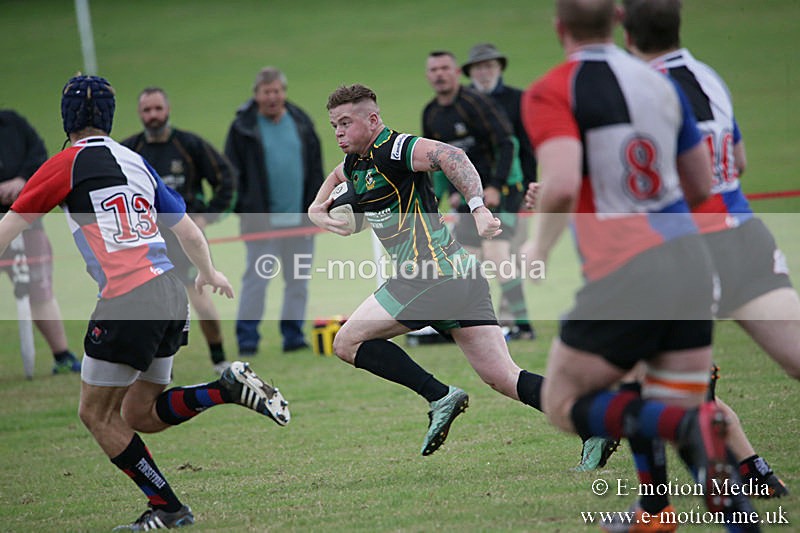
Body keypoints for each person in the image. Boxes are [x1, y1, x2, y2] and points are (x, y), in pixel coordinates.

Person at [0, 75, 291, 530]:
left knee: (95, 414)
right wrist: (210, 273)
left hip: (127, 296)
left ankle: (168, 508)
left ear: (66, 118)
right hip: (172, 291)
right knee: (141, 414)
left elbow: (10, 228)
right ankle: (225, 388)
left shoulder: (64, 164)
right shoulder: (134, 160)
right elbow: (188, 230)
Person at [519, 1, 757, 530]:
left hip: (628, 269)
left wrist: (536, 250)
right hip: (692, 262)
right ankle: (693, 516)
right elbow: (700, 184)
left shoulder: (553, 89)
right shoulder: (658, 84)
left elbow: (557, 185)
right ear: (617, 23)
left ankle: (679, 438)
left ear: (560, 27)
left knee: (563, 400)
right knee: (667, 399)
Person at [308, 83, 546, 457]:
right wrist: (316, 207)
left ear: (372, 120)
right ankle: (594, 422)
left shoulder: (395, 148)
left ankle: (440, 396)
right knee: (504, 378)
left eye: (345, 123)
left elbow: (452, 155)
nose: (338, 132)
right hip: (460, 275)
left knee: (346, 341)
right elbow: (339, 175)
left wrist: (478, 206)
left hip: (430, 274)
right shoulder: (357, 161)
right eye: (334, 125)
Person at [617, 0, 793, 502]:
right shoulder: (708, 76)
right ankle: (749, 468)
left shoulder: (639, 92)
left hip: (686, 248)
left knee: (639, 378)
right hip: (744, 234)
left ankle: (657, 505)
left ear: (626, 33)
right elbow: (736, 159)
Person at [122, 87, 237, 375]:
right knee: (151, 302)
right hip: (145, 240)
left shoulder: (189, 145)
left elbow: (227, 180)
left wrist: (207, 218)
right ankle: (159, 366)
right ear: (139, 113)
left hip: (184, 237)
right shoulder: (128, 152)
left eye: (158, 109)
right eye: (147, 110)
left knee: (200, 295)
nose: (153, 115)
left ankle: (219, 358)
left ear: (168, 109)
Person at [423, 51, 535, 340]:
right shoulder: (431, 113)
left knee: (497, 255)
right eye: (433, 69)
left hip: (503, 191)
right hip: (469, 198)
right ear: (428, 76)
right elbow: (434, 159)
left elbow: (508, 144)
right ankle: (468, 325)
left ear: (457, 72)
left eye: (445, 68)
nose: (439, 74)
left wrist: (496, 186)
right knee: (464, 261)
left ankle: (523, 326)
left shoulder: (477, 104)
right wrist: (447, 193)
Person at [225, 66, 324, 355]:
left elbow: (316, 168)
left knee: (298, 282)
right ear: (256, 95)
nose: (272, 97)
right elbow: (231, 173)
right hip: (261, 222)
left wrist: (318, 207)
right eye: (266, 92)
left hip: (300, 219)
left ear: (284, 92)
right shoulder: (243, 127)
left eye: (277, 91)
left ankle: (293, 337)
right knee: (257, 281)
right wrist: (245, 209)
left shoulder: (301, 121)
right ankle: (247, 340)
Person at [462, 43, 538, 340]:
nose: (484, 72)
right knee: (478, 256)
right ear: (470, 72)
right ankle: (493, 322)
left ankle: (515, 321)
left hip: (510, 189)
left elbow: (525, 146)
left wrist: (530, 187)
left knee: (505, 253)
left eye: (490, 66)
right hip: (470, 194)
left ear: (499, 68)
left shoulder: (517, 100)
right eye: (479, 67)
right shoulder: (463, 101)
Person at [0, 109, 80, 375]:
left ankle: (62, 355)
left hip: (27, 222)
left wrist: (21, 181)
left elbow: (38, 154)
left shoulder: (12, 122)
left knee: (40, 288)